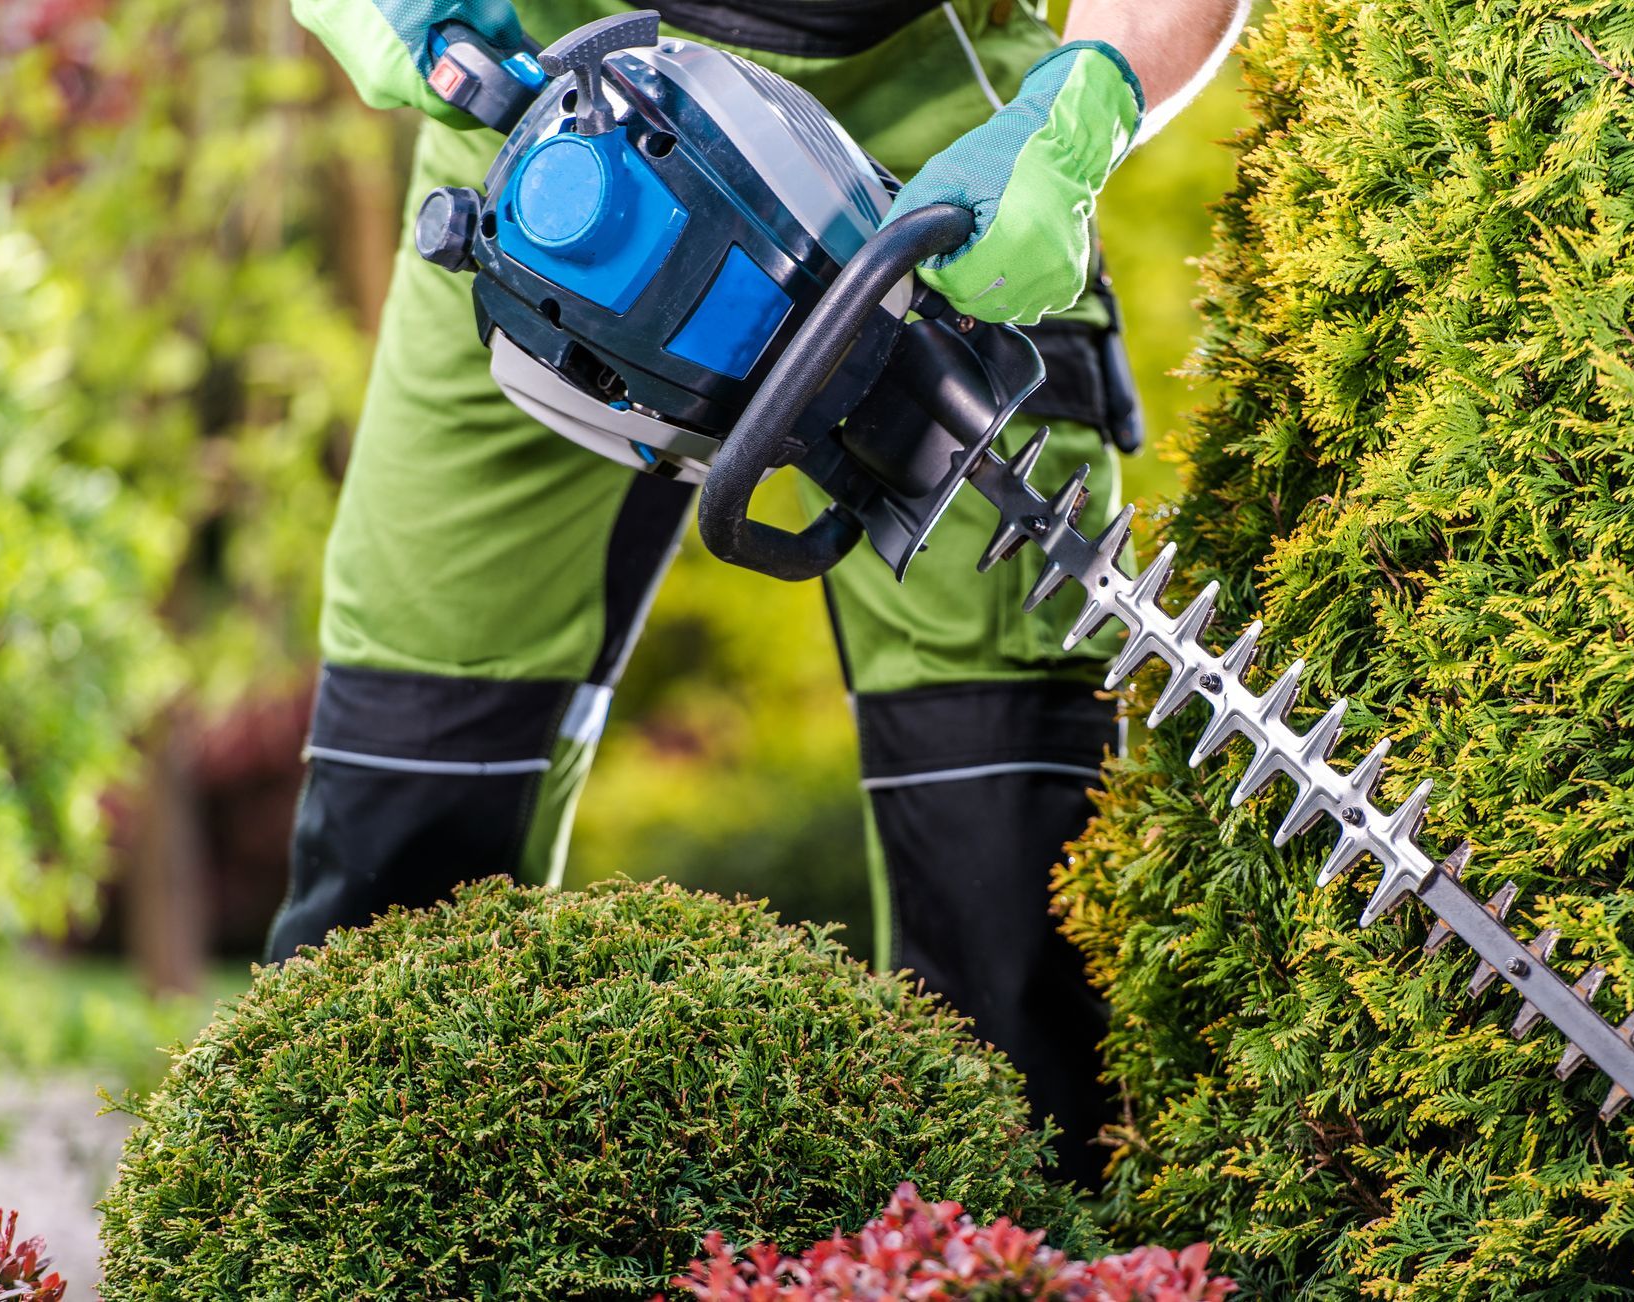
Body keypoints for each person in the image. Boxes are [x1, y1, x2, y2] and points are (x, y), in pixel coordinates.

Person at [273, 0, 1252, 1186]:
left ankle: (1025, 1254)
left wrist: (1088, 95)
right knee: (400, 812)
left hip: (928, 124)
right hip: (551, 144)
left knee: (1018, 879)